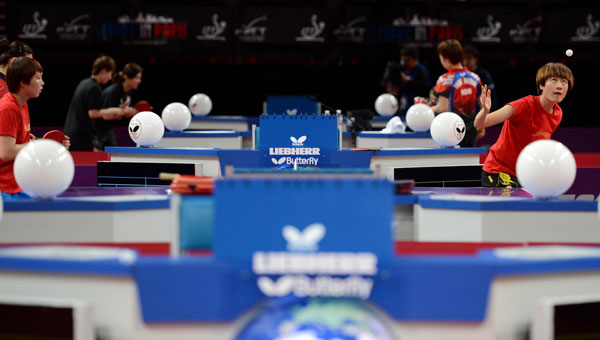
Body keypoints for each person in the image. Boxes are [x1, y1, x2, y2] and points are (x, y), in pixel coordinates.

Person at [474, 62, 574, 188]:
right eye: (554, 80)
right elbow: (479, 123)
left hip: (525, 175)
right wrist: (484, 111)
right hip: (498, 171)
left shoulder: (558, 114)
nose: (559, 86)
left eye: (564, 82)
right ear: (541, 85)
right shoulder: (524, 105)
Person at [0, 57, 69, 199]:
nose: (42, 83)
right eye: (38, 78)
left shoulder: (22, 104)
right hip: (5, 189)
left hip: (20, 182)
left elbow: (23, 143)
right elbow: (6, 153)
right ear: (23, 82)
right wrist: (42, 144)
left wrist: (47, 145)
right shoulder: (8, 108)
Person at [63, 55, 133, 151]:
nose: (110, 78)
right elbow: (93, 113)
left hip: (70, 132)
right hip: (81, 135)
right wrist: (116, 110)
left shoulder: (84, 82)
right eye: (110, 73)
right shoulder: (94, 87)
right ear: (103, 71)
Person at [430, 39, 482, 147]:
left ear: (446, 59)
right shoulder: (475, 77)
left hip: (451, 130)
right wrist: (482, 126)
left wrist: (425, 109)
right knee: (469, 162)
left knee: (452, 162)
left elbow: (442, 108)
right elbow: (484, 106)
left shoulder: (444, 80)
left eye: (441, 58)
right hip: (472, 130)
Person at [92, 63, 143, 150]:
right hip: (97, 131)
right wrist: (123, 112)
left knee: (113, 156)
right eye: (137, 78)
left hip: (108, 130)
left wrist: (130, 112)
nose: (139, 81)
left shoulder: (128, 92)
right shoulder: (112, 92)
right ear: (127, 77)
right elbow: (106, 116)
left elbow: (121, 113)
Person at [381, 46, 431, 114]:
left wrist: (409, 81)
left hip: (417, 110)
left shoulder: (422, 71)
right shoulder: (401, 70)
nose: (405, 63)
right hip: (402, 108)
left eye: (407, 61)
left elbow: (425, 89)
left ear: (415, 59)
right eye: (403, 61)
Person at [463, 44, 497, 111]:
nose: (466, 61)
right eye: (464, 58)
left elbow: (492, 96)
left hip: (480, 112)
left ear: (475, 59)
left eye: (469, 58)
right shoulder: (461, 75)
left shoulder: (484, 75)